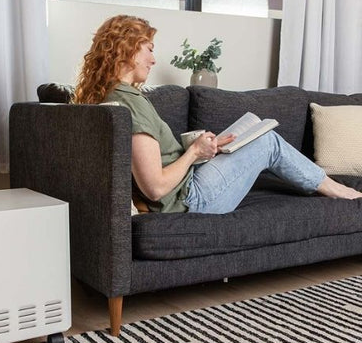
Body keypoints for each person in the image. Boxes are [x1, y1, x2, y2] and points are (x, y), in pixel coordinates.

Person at [73, 15, 362, 214]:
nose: (153, 59)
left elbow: (154, 162)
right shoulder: (130, 105)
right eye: (149, 49)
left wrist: (204, 149)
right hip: (191, 198)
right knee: (268, 141)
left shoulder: (114, 96)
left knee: (252, 136)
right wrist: (194, 153)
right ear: (129, 49)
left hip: (188, 186)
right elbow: (156, 188)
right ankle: (336, 189)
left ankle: (327, 184)